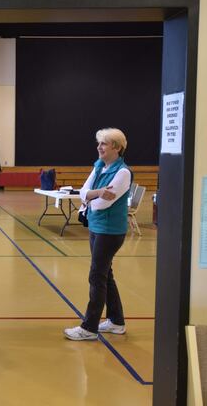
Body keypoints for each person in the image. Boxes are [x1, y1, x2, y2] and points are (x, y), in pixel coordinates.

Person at [64, 128, 131, 341]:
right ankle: (116, 321)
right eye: (99, 143)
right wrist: (97, 193)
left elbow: (101, 205)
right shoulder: (100, 166)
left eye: (104, 143)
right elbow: (82, 193)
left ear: (117, 148)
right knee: (105, 274)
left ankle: (89, 327)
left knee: (96, 276)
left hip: (110, 231)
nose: (99, 147)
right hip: (96, 227)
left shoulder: (122, 173)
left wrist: (94, 196)